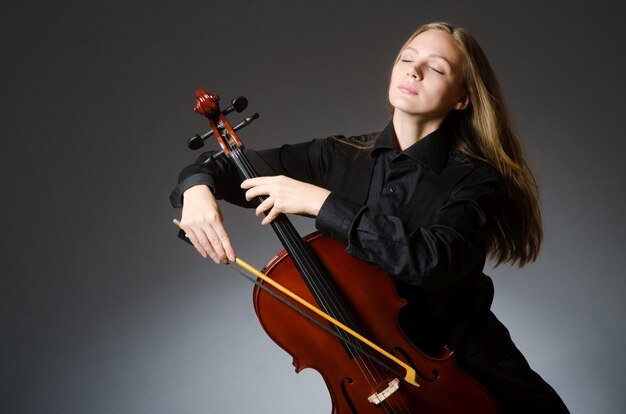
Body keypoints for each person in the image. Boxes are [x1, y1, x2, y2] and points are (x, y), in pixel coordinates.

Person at [170, 22, 569, 413]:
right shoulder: (339, 154)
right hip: (372, 385)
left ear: (462, 98)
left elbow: (432, 263)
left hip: (475, 374)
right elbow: (224, 167)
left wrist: (323, 203)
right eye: (407, 58)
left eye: (436, 68)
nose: (414, 70)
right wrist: (196, 189)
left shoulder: (476, 180)